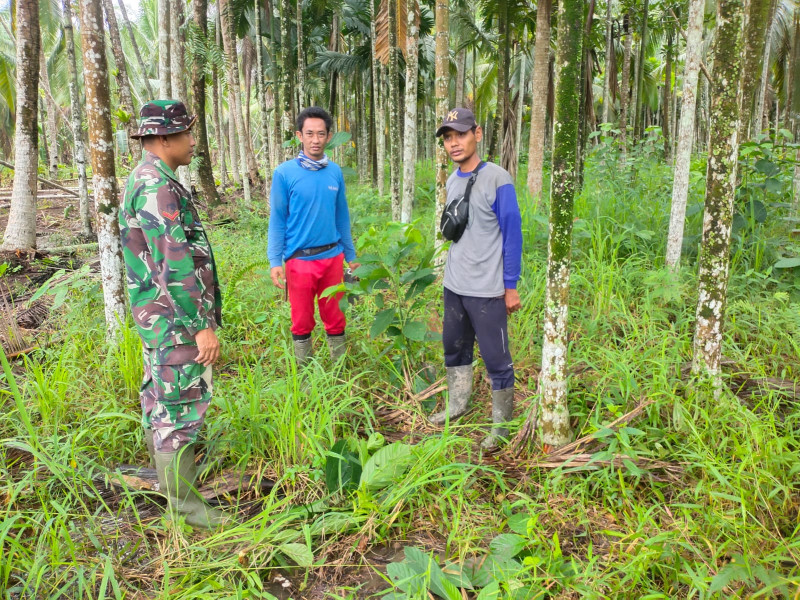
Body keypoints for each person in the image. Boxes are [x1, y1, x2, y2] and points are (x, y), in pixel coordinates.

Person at [120, 100, 228, 528]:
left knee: (162, 403)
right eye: (185, 134)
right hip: (174, 321)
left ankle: (176, 488)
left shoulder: (153, 179)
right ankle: (188, 512)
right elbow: (173, 263)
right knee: (178, 410)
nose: (191, 142)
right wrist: (201, 327)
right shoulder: (155, 186)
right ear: (164, 139)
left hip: (160, 319)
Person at [430, 107, 523, 449]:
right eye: (448, 138)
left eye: (460, 135)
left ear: (477, 134)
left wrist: (510, 286)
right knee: (454, 350)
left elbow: (513, 234)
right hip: (455, 285)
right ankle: (458, 404)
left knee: (497, 358)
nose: (453, 144)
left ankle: (501, 426)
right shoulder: (453, 180)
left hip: (487, 289)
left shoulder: (498, 179)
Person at [268, 106, 358, 364]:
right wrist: (275, 261)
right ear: (299, 136)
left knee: (336, 317)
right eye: (309, 134)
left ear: (329, 136)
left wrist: (351, 256)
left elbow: (342, 217)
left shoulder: (335, 172)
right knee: (302, 320)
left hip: (332, 257)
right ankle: (305, 377)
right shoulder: (285, 173)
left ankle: (339, 369)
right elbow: (278, 219)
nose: (315, 140)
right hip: (299, 260)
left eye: (321, 134)